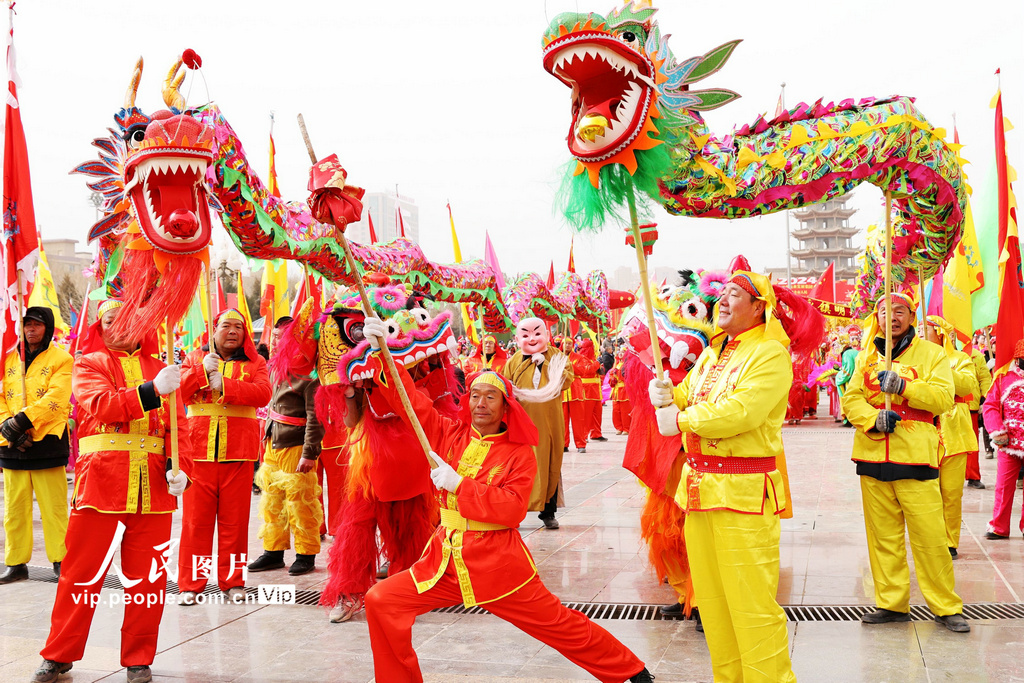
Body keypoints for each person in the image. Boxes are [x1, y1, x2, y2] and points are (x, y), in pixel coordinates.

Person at [360, 322, 653, 683]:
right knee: (380, 600)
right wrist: (382, 353)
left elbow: (512, 510)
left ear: (505, 406)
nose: (480, 403)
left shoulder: (518, 454)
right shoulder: (449, 433)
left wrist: (460, 485)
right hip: (445, 563)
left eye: (490, 397)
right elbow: (411, 403)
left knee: (558, 624)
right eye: (474, 395)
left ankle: (631, 671)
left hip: (498, 565)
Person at [650, 270, 819, 682]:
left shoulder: (770, 353)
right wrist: (666, 394)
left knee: (753, 609)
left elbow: (742, 411)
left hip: (743, 496)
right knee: (715, 606)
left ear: (759, 306)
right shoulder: (713, 353)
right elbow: (686, 394)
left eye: (733, 294)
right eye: (721, 293)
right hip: (699, 494)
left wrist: (681, 417)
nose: (721, 301)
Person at [32, 299, 191, 683]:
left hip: (153, 487)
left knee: (149, 579)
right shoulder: (88, 363)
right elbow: (103, 406)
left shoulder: (161, 367)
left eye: (127, 315)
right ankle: (59, 653)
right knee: (79, 574)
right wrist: (153, 389)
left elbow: (178, 425)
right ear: (99, 326)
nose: (118, 323)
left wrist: (179, 467)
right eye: (109, 318)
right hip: (100, 483)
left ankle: (139, 657)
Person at [842, 293, 968, 632]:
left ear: (912, 315)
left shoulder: (932, 353)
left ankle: (946, 605)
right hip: (871, 453)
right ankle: (892, 603)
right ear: (877, 318)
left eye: (899, 311)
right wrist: (871, 418)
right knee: (883, 538)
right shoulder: (868, 355)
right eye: (885, 312)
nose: (891, 317)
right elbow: (851, 399)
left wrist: (905, 386)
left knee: (930, 538)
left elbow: (943, 398)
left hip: (916, 457)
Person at [177, 309, 272, 604]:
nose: (232, 331)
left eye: (238, 327)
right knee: (195, 523)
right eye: (226, 326)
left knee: (235, 523)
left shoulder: (257, 363)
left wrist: (226, 386)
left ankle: (232, 582)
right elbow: (177, 394)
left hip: (238, 453)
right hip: (199, 453)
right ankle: (191, 585)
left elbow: (263, 394)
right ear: (213, 330)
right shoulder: (194, 358)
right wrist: (200, 372)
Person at [247, 309, 325, 576]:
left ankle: (306, 554)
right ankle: (273, 552)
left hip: (296, 446)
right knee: (272, 501)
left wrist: (309, 453)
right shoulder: (276, 369)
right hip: (272, 443)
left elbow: (316, 419)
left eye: (283, 337)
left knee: (301, 502)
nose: (277, 340)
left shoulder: (311, 377)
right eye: (276, 336)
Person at [0, 307, 72, 584]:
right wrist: (9, 426)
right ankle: (16, 563)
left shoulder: (62, 359)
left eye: (37, 324)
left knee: (53, 508)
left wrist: (22, 422)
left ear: (48, 328)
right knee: (15, 508)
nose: (31, 329)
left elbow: (57, 398)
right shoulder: (7, 358)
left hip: (47, 443)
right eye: (27, 324)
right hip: (11, 444)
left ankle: (61, 560)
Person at [505, 318, 572, 530]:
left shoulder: (557, 357)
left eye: (537, 333)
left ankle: (548, 512)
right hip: (523, 422)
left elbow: (567, 379)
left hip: (550, 422)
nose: (532, 338)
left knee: (550, 463)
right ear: (517, 339)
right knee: (520, 466)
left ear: (547, 335)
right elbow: (506, 389)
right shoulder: (514, 360)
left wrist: (544, 365)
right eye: (525, 335)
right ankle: (516, 511)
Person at [924, 316, 979, 558]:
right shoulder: (914, 358)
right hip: (924, 434)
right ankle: (929, 538)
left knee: (951, 492)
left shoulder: (960, 359)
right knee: (926, 493)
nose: (918, 335)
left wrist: (940, 364)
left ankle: (949, 541)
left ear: (940, 333)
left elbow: (967, 387)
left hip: (954, 433)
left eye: (923, 330)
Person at [981, 339, 1024, 539]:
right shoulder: (1003, 376)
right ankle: (999, 525)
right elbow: (990, 405)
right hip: (1009, 443)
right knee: (1004, 485)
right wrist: (997, 430)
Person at [562, 337, 595, 454]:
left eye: (570, 343)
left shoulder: (578, 358)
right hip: (562, 392)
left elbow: (582, 371)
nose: (567, 346)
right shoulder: (557, 357)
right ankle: (563, 444)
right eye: (565, 344)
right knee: (562, 421)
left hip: (576, 390)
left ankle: (581, 444)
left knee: (579, 420)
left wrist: (569, 365)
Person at [967, 345, 993, 487]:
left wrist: (985, 399)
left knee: (971, 442)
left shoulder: (976, 355)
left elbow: (985, 379)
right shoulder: (941, 353)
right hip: (946, 405)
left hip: (971, 405)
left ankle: (973, 476)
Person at [608, 351, 631, 435]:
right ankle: (619, 427)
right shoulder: (616, 364)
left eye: (623, 352)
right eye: (619, 352)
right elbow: (610, 375)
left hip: (624, 389)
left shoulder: (628, 364)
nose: (620, 354)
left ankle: (626, 428)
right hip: (616, 390)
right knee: (616, 410)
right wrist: (612, 377)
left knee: (625, 410)